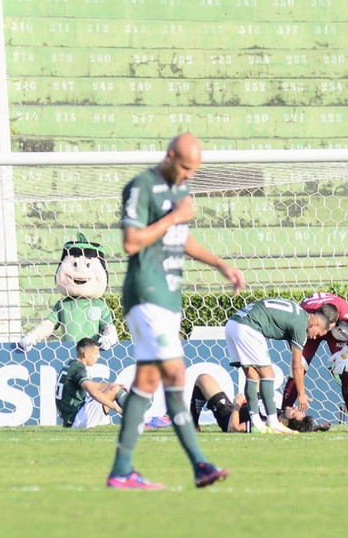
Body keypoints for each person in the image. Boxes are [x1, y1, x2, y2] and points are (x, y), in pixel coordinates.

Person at [107, 133, 246, 490]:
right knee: (174, 373)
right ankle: (200, 463)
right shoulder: (142, 186)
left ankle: (122, 470)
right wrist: (174, 217)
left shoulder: (180, 193)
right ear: (169, 156)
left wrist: (220, 264)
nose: (189, 176)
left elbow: (181, 240)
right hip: (146, 294)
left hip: (168, 298)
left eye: (194, 170)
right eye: (185, 167)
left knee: (148, 382)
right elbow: (131, 241)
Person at [225, 298, 336, 434]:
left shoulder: (298, 312)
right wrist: (301, 394)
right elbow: (296, 365)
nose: (314, 338)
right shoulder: (301, 325)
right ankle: (273, 422)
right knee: (268, 374)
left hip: (233, 324)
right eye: (318, 334)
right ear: (315, 324)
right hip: (249, 327)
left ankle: (256, 422)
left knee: (252, 375)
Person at [280, 292, 348, 432]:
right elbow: (291, 330)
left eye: (328, 328)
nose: (324, 332)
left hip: (336, 331)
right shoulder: (303, 315)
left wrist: (345, 352)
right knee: (297, 370)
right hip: (309, 329)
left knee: (344, 369)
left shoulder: (344, 311)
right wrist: (296, 354)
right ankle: (281, 417)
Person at [190, 373, 331, 434]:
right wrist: (317, 427)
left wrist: (238, 404)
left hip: (230, 414)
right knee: (256, 372)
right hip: (252, 403)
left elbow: (232, 429)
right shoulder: (282, 418)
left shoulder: (265, 424)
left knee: (203, 379)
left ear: (286, 423)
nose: (294, 407)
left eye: (293, 412)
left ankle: (194, 425)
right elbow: (298, 430)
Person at [55, 338, 126, 428]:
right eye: (96, 353)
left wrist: (110, 385)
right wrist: (117, 408)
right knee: (114, 390)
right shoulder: (79, 368)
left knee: (113, 387)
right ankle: (140, 420)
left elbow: (91, 385)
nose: (98, 356)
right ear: (86, 354)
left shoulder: (71, 364)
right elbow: (92, 392)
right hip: (77, 418)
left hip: (71, 417)